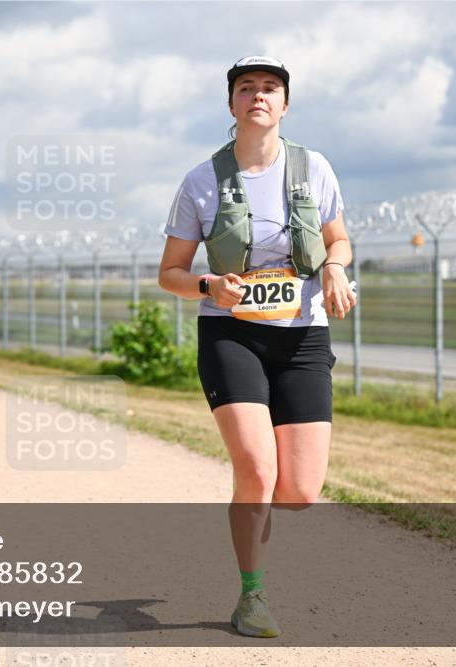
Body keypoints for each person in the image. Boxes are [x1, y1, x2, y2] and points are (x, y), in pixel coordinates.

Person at [158, 56, 357, 638]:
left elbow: (337, 239)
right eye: (247, 88)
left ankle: (260, 541)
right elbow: (170, 271)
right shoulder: (201, 181)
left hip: (302, 338)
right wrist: (206, 284)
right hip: (231, 333)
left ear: (285, 104)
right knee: (256, 471)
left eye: (271, 88)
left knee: (297, 492)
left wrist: (338, 270)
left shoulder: (314, 168)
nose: (259, 96)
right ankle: (252, 595)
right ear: (232, 105)